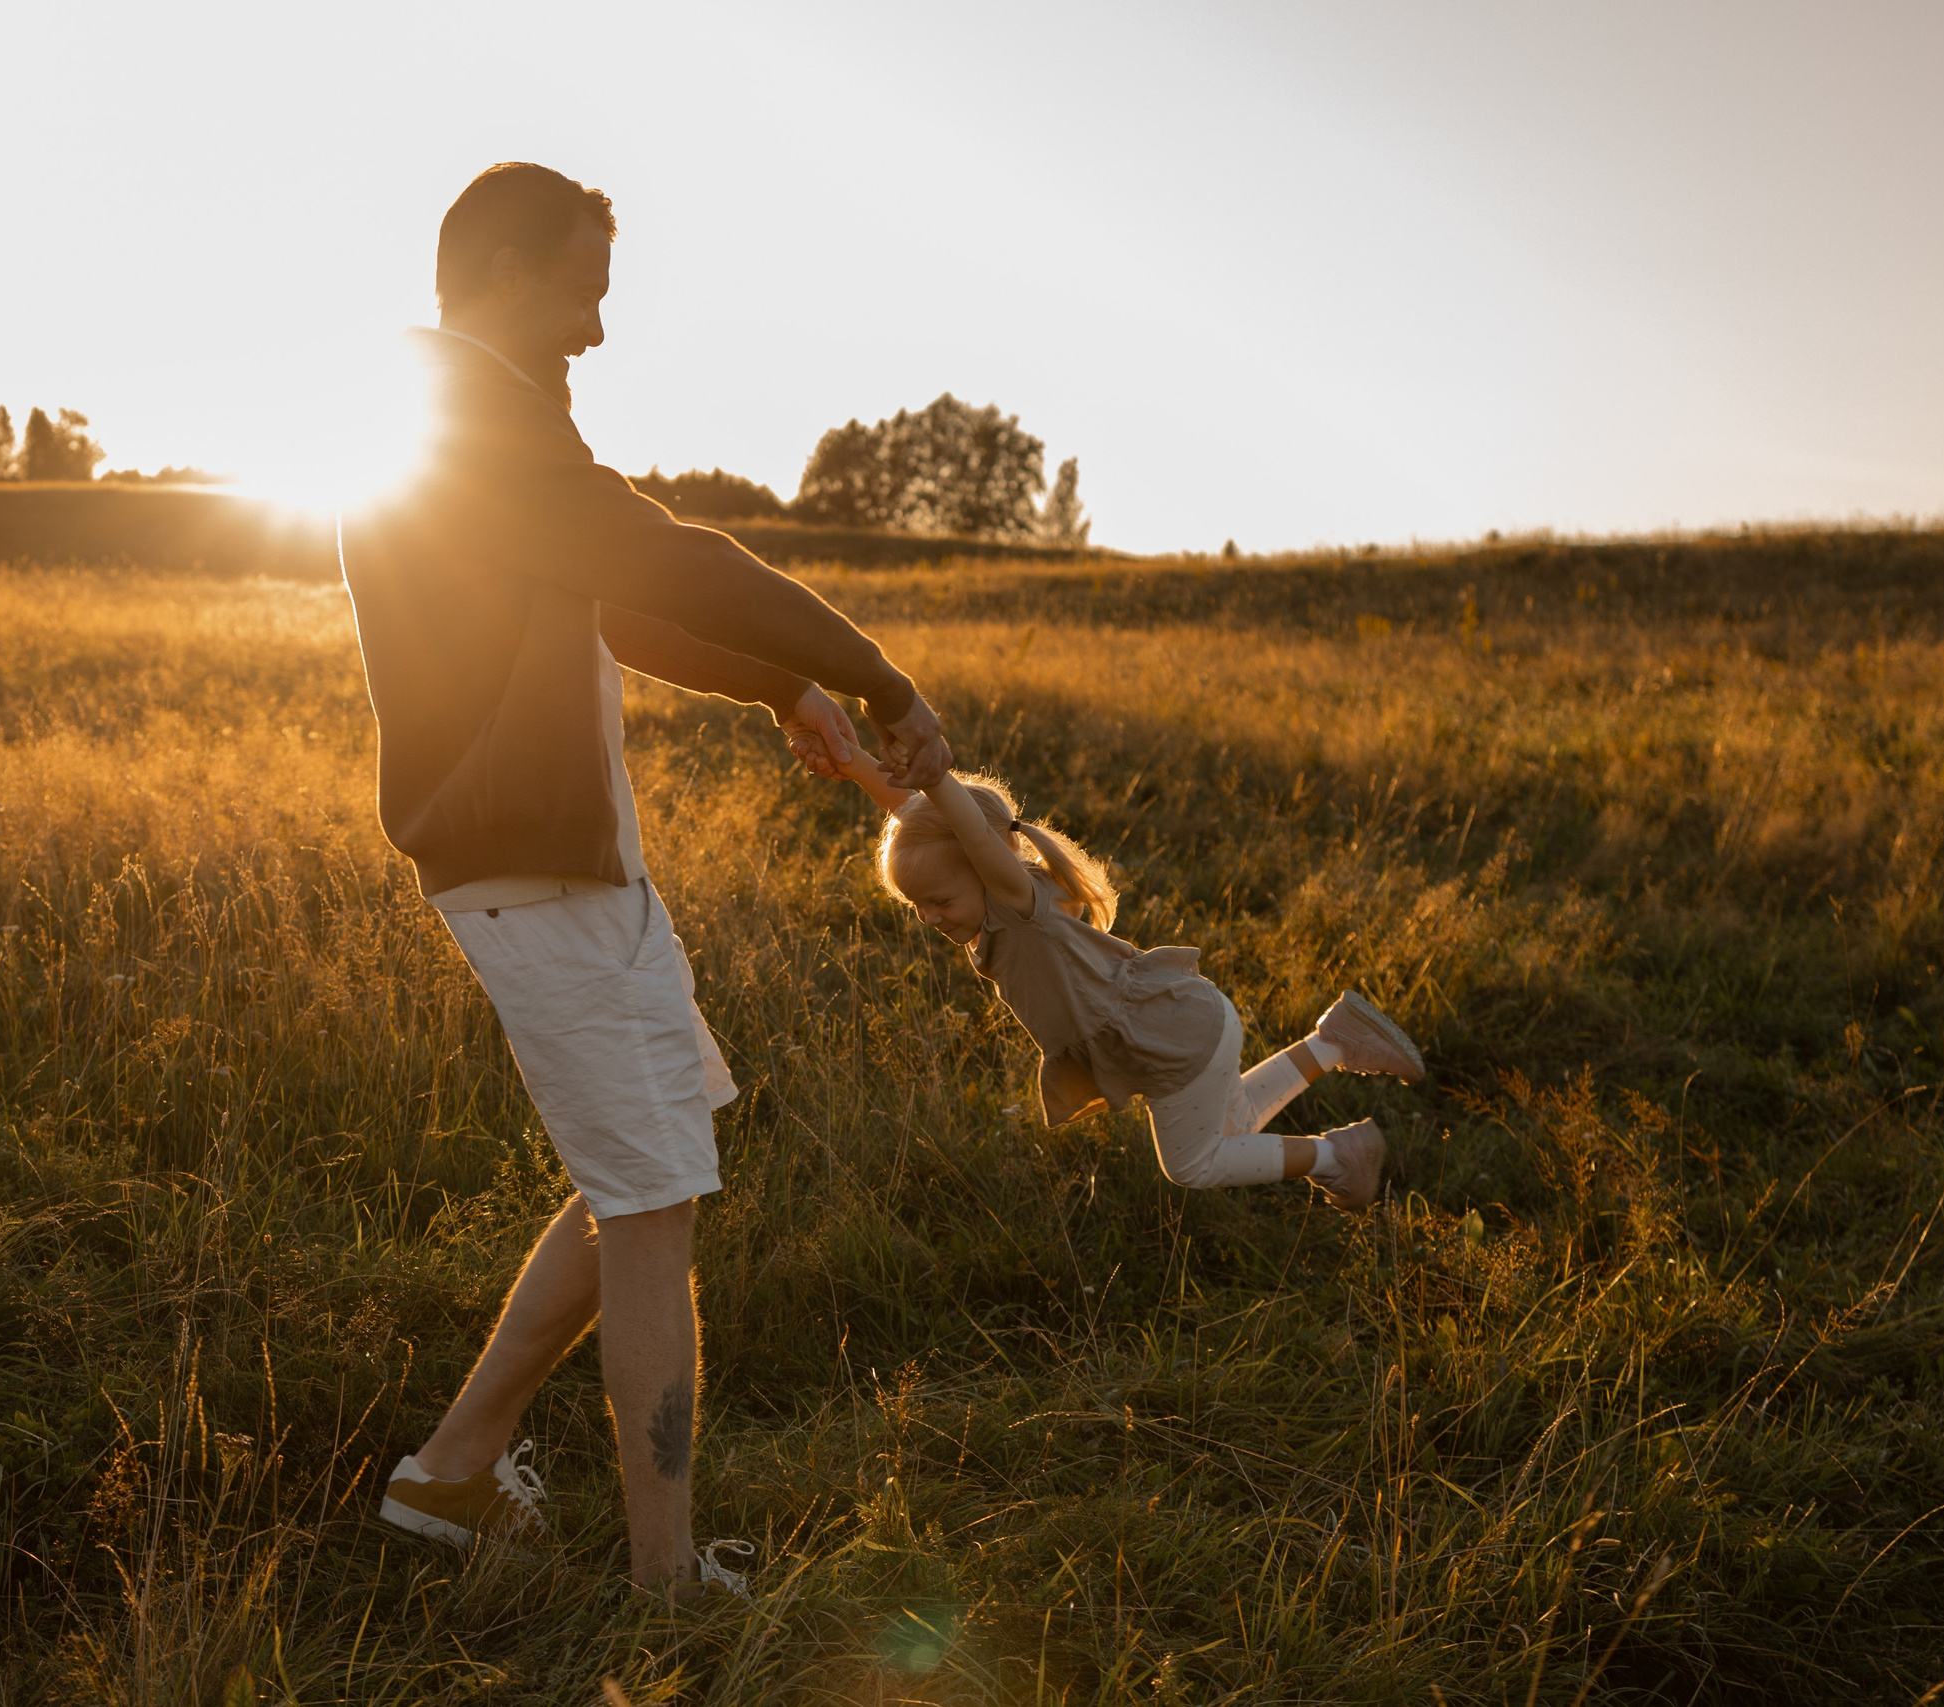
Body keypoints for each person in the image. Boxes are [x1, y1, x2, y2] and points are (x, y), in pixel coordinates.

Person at [339, 162, 950, 1599]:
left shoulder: (486, 425)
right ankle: (667, 1585)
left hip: (577, 871)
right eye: (583, 294)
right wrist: (873, 668)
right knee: (656, 1198)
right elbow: (663, 555)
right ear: (500, 270)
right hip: (531, 876)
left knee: (648, 1171)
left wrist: (779, 685)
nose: (599, 333)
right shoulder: (468, 420)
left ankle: (457, 1466)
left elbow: (610, 601)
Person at [820, 741, 1424, 1206]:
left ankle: (1336, 1156)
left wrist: (934, 774)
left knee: (1193, 1165)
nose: (929, 918)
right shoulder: (1010, 885)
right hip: (1186, 1019)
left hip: (1168, 1036)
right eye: (916, 906)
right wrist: (854, 762)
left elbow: (964, 832)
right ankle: (1334, 1040)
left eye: (941, 903)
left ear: (987, 869)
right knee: (1232, 1123)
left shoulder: (1014, 905)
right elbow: (918, 817)